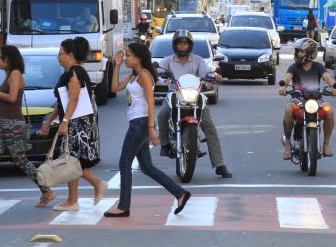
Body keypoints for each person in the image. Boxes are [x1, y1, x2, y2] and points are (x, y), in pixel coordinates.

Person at [103, 42, 191, 218]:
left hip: (141, 123)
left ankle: (123, 206)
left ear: (139, 57)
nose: (125, 58)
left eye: (128, 55)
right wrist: (118, 65)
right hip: (137, 123)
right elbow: (114, 88)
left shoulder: (144, 75)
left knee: (124, 163)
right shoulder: (135, 75)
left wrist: (151, 128)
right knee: (146, 166)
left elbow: (151, 102)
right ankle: (180, 193)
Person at [0, 45, 55, 209]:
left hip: (13, 122)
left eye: (0, 58)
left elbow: (13, 97)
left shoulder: (15, 74)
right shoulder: (9, 74)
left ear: (9, 59)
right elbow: (10, 97)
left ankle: (46, 190)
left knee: (20, 160)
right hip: (3, 120)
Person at [39, 37, 105, 211]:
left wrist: (65, 122)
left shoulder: (75, 72)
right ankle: (73, 200)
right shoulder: (69, 73)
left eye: (61, 54)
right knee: (71, 162)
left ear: (70, 55)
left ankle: (94, 186)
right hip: (74, 121)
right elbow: (63, 101)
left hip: (78, 124)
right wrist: (50, 120)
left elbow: (74, 99)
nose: (58, 57)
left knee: (72, 162)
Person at [155, 30, 231, 178]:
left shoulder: (198, 60)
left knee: (209, 126)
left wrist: (215, 76)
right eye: (179, 43)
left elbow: (207, 73)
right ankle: (164, 144)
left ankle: (220, 165)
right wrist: (156, 71)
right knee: (162, 114)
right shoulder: (168, 60)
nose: (182, 46)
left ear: (189, 45)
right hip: (175, 94)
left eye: (185, 43)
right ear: (175, 45)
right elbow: (158, 70)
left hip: (194, 95)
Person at [280, 38, 336, 158]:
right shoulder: (294, 67)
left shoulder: (318, 66)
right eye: (297, 51)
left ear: (310, 52)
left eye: (301, 51)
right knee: (288, 109)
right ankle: (287, 142)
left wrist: (334, 87)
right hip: (298, 99)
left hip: (316, 99)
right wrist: (283, 86)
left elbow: (327, 77)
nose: (298, 54)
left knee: (330, 111)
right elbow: (287, 78)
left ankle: (326, 144)